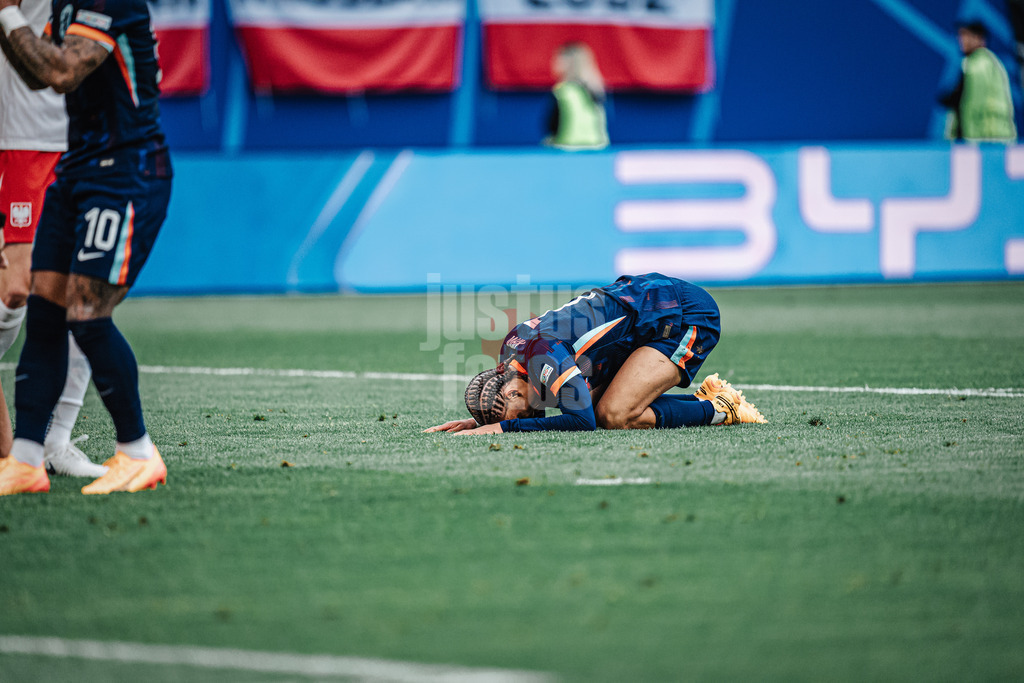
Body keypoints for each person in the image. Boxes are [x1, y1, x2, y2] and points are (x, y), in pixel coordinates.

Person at [0, 0, 172, 495]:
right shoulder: (67, 2)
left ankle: (138, 452)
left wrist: (9, 14)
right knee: (47, 311)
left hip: (126, 170)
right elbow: (36, 74)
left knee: (87, 313)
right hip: (79, 167)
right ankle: (28, 459)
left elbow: (61, 71)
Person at [425, 273, 766, 435]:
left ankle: (720, 409)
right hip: (643, 315)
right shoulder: (513, 353)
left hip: (680, 315)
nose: (522, 415)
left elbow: (582, 422)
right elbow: (542, 403)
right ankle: (705, 402)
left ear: (512, 387)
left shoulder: (542, 353)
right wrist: (483, 421)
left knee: (613, 415)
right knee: (587, 399)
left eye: (515, 409)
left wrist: (502, 430)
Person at [0, 0, 105, 478]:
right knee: (14, 293)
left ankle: (54, 442)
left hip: (80, 137)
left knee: (86, 290)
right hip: (19, 137)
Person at [938, 18, 1017, 142]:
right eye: (960, 35)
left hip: (987, 140)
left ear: (979, 38)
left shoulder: (979, 64)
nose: (961, 40)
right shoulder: (985, 62)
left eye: (966, 35)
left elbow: (973, 105)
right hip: (994, 140)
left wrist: (969, 141)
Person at [543, 42, 610, 151]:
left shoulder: (563, 91)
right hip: (598, 146)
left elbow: (554, 125)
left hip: (568, 147)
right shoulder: (596, 89)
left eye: (557, 60)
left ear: (568, 63)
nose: (553, 63)